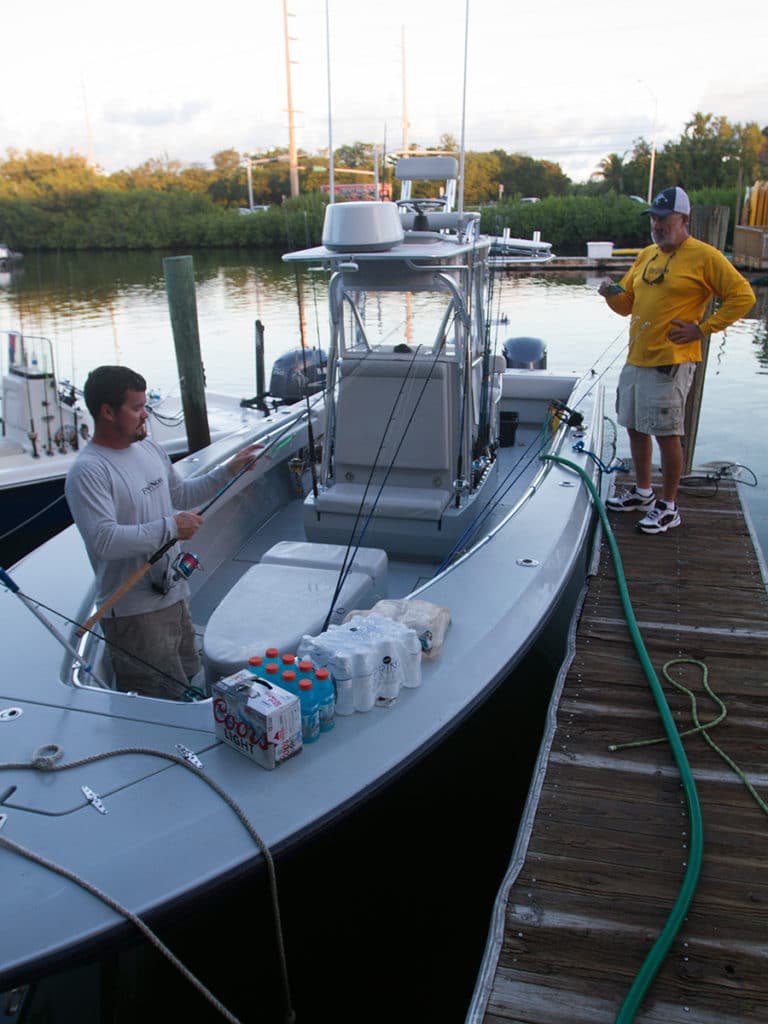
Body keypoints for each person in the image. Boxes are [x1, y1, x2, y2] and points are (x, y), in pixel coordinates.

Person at [65, 365, 260, 699]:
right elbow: (103, 541)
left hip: (175, 593)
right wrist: (171, 527)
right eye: (137, 408)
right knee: (160, 699)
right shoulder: (89, 471)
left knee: (191, 677)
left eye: (145, 406)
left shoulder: (149, 449)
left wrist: (228, 470)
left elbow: (181, 494)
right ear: (108, 412)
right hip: (135, 614)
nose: (145, 415)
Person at [599, 186, 755, 534]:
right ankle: (643, 493)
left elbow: (743, 296)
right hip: (637, 358)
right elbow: (627, 305)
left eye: (663, 219)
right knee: (635, 427)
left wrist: (702, 329)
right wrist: (610, 293)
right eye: (653, 218)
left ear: (683, 219)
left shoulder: (705, 256)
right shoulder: (647, 255)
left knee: (667, 434)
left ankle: (669, 506)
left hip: (671, 362)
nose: (656, 225)